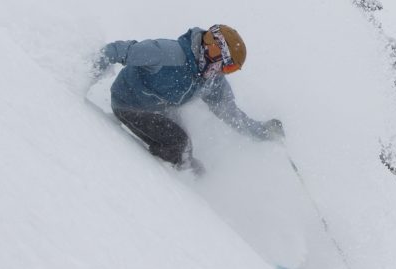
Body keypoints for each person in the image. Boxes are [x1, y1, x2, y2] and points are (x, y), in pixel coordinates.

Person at [95, 24, 283, 170]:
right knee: (179, 144)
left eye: (231, 70)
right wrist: (82, 76)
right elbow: (118, 50)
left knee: (192, 161)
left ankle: (189, 183)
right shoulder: (169, 53)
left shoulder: (211, 81)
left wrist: (262, 131)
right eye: (226, 66)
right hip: (129, 103)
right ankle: (157, 179)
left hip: (161, 110)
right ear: (214, 51)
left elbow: (229, 113)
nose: (223, 72)